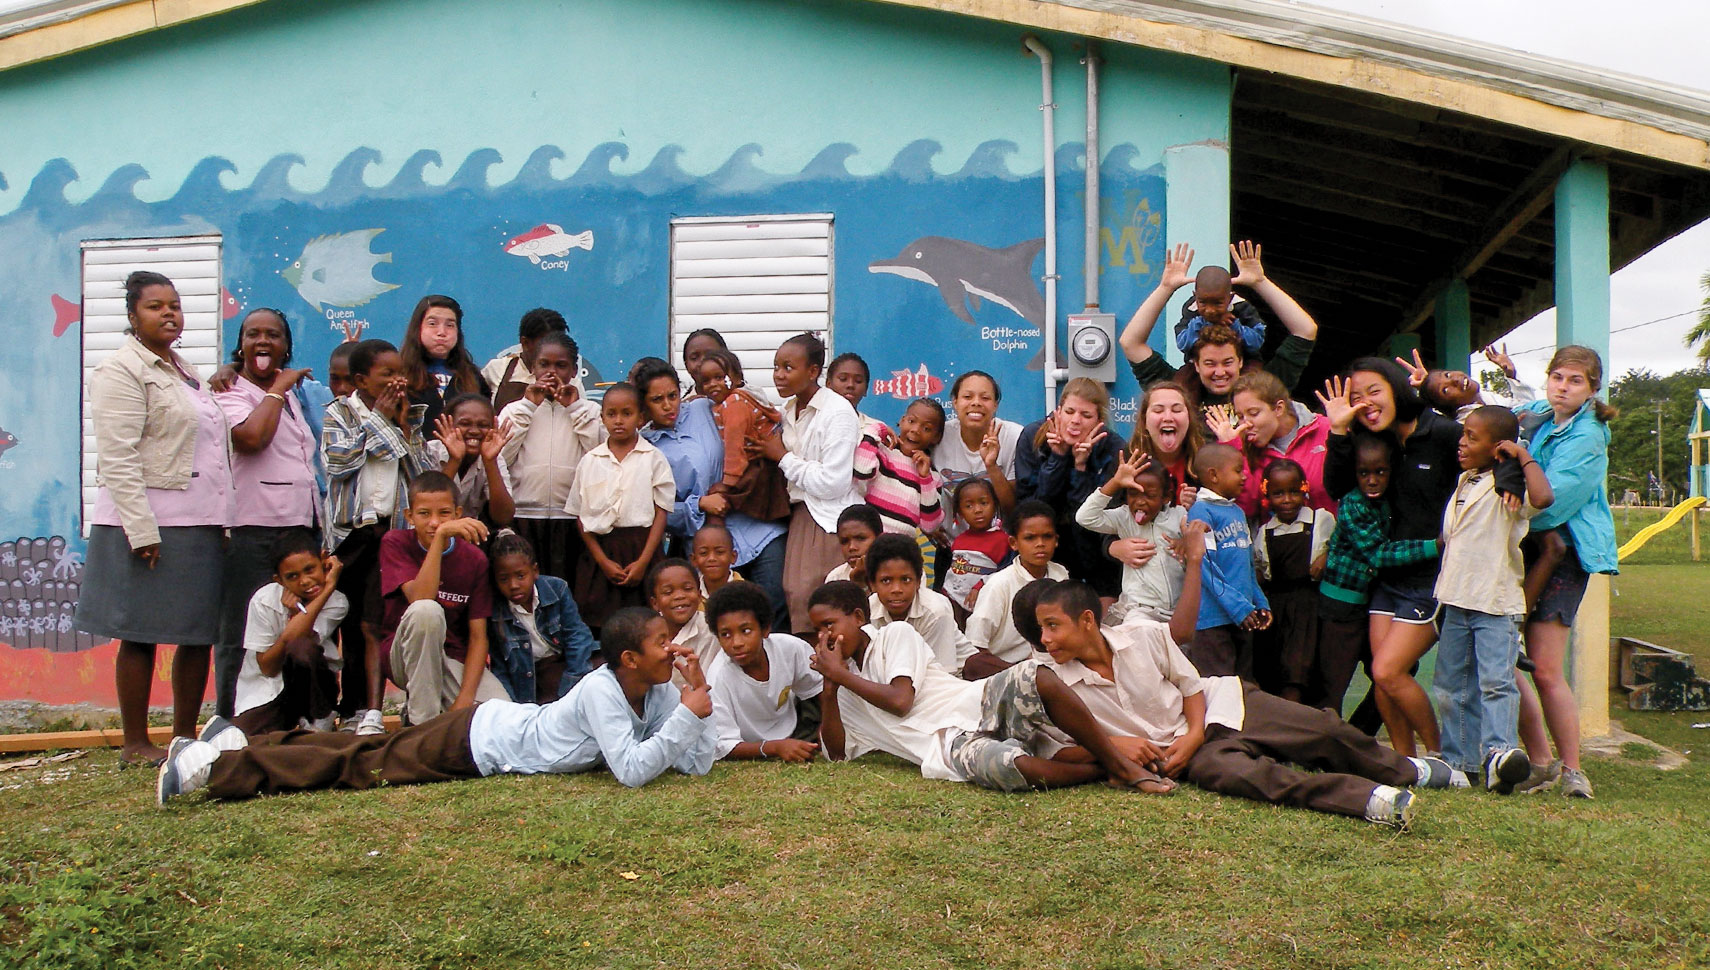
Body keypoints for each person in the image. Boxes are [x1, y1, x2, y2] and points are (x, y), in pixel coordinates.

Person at [158, 607, 717, 803]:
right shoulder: (603, 689)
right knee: (362, 765)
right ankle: (213, 768)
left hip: (488, 732)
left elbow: (695, 762)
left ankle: (240, 744)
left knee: (369, 747)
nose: (674, 648)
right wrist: (687, 716)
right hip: (476, 741)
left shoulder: (658, 686)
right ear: (628, 659)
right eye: (661, 642)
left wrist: (697, 704)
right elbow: (632, 772)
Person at [1030, 577, 1446, 827]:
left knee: (1324, 729)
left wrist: (1194, 733)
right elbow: (1052, 744)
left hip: (1221, 706)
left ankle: (1415, 770)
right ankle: (1371, 800)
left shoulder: (1142, 634)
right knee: (1250, 779)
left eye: (1053, 627)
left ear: (1087, 620)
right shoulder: (1054, 684)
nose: (1046, 639)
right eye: (1041, 630)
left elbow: (1191, 685)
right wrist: (1117, 746)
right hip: (1187, 756)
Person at [75, 271, 234, 765]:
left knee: (195, 631)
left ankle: (184, 737)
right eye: (155, 306)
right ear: (131, 316)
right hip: (146, 521)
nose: (169, 313)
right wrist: (140, 530)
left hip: (200, 520)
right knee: (139, 631)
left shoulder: (185, 373)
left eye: (175, 305)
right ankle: (135, 742)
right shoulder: (121, 371)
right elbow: (118, 457)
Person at [806, 581, 1173, 793]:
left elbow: (901, 700)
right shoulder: (841, 683)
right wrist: (830, 688)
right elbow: (836, 753)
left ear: (858, 618)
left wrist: (841, 676)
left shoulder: (894, 636)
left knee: (1034, 676)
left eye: (829, 625)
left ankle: (1120, 765)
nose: (824, 637)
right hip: (945, 747)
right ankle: (1103, 770)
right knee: (1008, 767)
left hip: (973, 701)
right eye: (817, 631)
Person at [1319, 358, 1474, 754]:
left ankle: (1442, 756)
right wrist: (1338, 429)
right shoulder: (1376, 441)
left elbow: (1488, 458)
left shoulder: (1441, 432)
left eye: (1374, 391)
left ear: (1395, 388)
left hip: (1430, 581)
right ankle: (1406, 760)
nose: (1366, 403)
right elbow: (1337, 485)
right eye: (1356, 397)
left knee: (1388, 670)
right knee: (1384, 674)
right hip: (1386, 580)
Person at [1512, 346, 1621, 799]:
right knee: (1505, 656)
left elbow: (1550, 502)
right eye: (1557, 376)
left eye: (1575, 380)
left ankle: (1574, 770)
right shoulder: (1545, 415)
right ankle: (1540, 761)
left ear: (1593, 389)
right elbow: (1516, 409)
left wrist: (1498, 516)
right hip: (1529, 547)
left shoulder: (1587, 436)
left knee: (1545, 667)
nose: (1562, 386)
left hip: (1563, 552)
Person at [1434, 406, 1553, 792]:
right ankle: (1459, 762)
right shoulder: (1465, 481)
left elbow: (1545, 496)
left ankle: (1499, 758)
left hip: (1495, 603)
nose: (1462, 443)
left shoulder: (1510, 486)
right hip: (1456, 598)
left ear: (1497, 445)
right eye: (1463, 434)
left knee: (1497, 683)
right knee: (1451, 685)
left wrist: (1521, 454)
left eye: (1472, 437)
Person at [212, 308, 322, 719]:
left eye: (273, 335)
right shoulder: (231, 392)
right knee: (240, 630)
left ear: (286, 346)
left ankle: (289, 716)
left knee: (294, 624)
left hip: (297, 527)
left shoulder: (297, 395)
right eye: (253, 334)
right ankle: (230, 719)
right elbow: (251, 439)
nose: (263, 342)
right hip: (251, 528)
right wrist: (277, 389)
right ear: (240, 345)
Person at [323, 337, 431, 736]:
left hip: (392, 533)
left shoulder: (408, 414)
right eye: (387, 374)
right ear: (361, 380)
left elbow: (419, 470)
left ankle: (374, 710)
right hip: (352, 535)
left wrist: (401, 424)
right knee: (348, 622)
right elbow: (339, 462)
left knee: (376, 622)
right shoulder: (340, 413)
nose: (397, 381)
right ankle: (347, 707)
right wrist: (378, 422)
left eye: (401, 372)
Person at [633, 355, 789, 633]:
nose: (669, 405)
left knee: (772, 609)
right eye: (658, 400)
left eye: (673, 395)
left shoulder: (705, 408)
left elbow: (750, 421)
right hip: (707, 547)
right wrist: (700, 503)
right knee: (720, 622)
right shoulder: (644, 447)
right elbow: (656, 509)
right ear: (644, 404)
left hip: (755, 525)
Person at [1315, 436, 1441, 718]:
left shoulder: (1391, 500)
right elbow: (1378, 554)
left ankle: (1359, 733)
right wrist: (1433, 546)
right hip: (1341, 604)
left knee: (1397, 671)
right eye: (1364, 473)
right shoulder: (1353, 504)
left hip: (1370, 601)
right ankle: (1327, 744)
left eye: (1380, 472)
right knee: (1334, 682)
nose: (1372, 480)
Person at [746, 333, 864, 632]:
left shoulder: (837, 412)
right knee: (795, 598)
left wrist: (782, 457)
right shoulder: (786, 412)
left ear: (813, 372)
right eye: (776, 367)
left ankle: (832, 671)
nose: (779, 375)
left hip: (828, 518)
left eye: (788, 367)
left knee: (817, 600)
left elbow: (833, 482)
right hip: (800, 514)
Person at [1118, 241, 1318, 412]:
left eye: (1228, 362)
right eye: (1210, 363)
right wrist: (1166, 288)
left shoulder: (1266, 387)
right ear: (1195, 364)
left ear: (1241, 361)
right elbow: (1130, 343)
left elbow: (1306, 330)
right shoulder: (1177, 390)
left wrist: (1260, 283)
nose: (1220, 372)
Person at [379, 471, 508, 726]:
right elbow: (420, 598)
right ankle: (422, 728)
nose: (434, 522)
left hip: (449, 659)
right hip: (404, 656)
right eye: (424, 514)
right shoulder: (395, 542)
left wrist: (464, 699)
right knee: (427, 611)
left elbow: (478, 637)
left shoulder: (474, 560)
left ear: (458, 514)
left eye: (444, 514)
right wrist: (439, 540)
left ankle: (432, 712)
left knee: (501, 716)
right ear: (409, 516)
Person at [499, 331, 603, 584]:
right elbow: (502, 457)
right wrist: (527, 407)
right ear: (533, 366)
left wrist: (575, 409)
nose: (552, 372)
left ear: (575, 370)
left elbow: (600, 455)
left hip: (571, 520)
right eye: (544, 364)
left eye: (561, 365)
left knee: (566, 591)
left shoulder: (590, 410)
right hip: (524, 517)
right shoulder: (515, 409)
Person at [566, 382, 673, 630]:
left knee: (645, 624)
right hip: (600, 553)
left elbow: (661, 512)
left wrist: (644, 561)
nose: (619, 421)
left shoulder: (653, 458)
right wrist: (602, 560)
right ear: (602, 417)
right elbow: (580, 516)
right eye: (611, 414)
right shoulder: (590, 461)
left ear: (641, 418)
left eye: (627, 413)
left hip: (642, 548)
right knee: (602, 623)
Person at [231, 530, 348, 734]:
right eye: (292, 576)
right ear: (279, 580)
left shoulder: (336, 601)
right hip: (268, 690)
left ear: (323, 560)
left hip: (315, 691)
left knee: (301, 647)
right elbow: (268, 667)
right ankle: (290, 725)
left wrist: (328, 588)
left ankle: (319, 720)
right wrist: (291, 623)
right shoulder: (263, 601)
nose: (305, 581)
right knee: (247, 738)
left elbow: (300, 643)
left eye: (310, 569)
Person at [1014, 377, 1120, 596]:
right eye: (1070, 412)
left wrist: (1081, 467)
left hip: (1093, 550)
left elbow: (1093, 519)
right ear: (1058, 411)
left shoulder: (1113, 447)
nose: (1075, 421)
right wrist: (1058, 458)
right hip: (1045, 542)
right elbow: (1034, 508)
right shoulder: (1033, 436)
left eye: (1086, 415)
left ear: (1099, 420)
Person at [703, 582, 823, 761]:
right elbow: (723, 746)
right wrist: (774, 747)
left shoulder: (790, 648)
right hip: (752, 745)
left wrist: (824, 730)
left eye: (746, 631)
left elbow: (819, 688)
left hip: (797, 728)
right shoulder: (718, 677)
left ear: (765, 629)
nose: (737, 643)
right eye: (726, 634)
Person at [1182, 443, 1270, 678]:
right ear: (1213, 475)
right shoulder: (1201, 512)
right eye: (1238, 470)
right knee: (1219, 691)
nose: (1244, 477)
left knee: (1245, 687)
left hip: (1242, 618)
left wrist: (1259, 602)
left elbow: (1248, 565)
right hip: (1213, 622)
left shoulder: (1237, 511)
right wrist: (1238, 607)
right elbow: (1205, 567)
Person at [1252, 460, 1334, 703]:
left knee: (1302, 669)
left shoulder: (1320, 520)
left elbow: (1339, 546)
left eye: (1293, 492)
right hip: (1277, 609)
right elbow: (1262, 571)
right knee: (1277, 670)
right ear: (1267, 495)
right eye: (1278, 494)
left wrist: (1326, 557)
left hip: (1310, 606)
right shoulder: (1265, 533)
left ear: (1304, 490)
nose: (1287, 499)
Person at [1206, 370, 1336, 518]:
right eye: (1240, 417)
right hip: (1276, 539)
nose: (1246, 424)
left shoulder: (1325, 429)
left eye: (1254, 413)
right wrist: (1231, 451)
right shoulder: (1242, 447)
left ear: (1278, 408)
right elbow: (1245, 510)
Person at [1075, 450, 1186, 623]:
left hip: (1177, 610)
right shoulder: (1123, 518)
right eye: (1133, 493)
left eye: (1150, 496)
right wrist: (1115, 483)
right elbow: (1084, 517)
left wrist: (1185, 541)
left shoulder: (1178, 515)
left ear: (1166, 497)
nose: (1140, 501)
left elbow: (1200, 534)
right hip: (1139, 609)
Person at [487, 532, 596, 704]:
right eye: (503, 579)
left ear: (535, 571)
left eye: (520, 576)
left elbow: (578, 636)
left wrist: (571, 683)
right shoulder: (496, 612)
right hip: (531, 676)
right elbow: (500, 667)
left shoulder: (556, 589)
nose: (513, 585)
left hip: (566, 664)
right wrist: (514, 705)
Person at [964, 500, 1069, 675]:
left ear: (1056, 540)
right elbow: (975, 647)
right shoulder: (999, 585)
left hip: (1052, 663)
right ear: (1013, 543)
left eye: (1047, 536)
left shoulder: (1060, 575)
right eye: (1030, 538)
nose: (1040, 544)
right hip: (1006, 668)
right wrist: (1017, 673)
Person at [853, 396, 947, 585]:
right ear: (902, 421)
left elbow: (929, 525)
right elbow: (861, 472)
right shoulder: (883, 453)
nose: (915, 430)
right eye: (911, 421)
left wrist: (925, 477)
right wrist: (877, 429)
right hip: (868, 549)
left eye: (926, 428)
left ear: (936, 438)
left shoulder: (931, 477)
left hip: (901, 555)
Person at [694, 350, 791, 524]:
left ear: (737, 377)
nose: (713, 384)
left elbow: (734, 447)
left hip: (762, 466)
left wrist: (728, 484)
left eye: (719, 377)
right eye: (706, 381)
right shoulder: (730, 401)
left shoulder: (734, 404)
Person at [865, 534, 974, 675]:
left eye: (906, 579)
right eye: (886, 581)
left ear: (918, 581)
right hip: (899, 681)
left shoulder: (935, 611)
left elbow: (940, 674)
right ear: (872, 584)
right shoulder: (869, 610)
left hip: (951, 680)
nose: (897, 589)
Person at [934, 370, 1022, 518]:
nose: (976, 403)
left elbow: (1012, 508)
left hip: (1001, 538)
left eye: (985, 398)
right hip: (950, 539)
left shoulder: (1015, 436)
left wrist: (992, 466)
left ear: (995, 405)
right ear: (955, 402)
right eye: (967, 397)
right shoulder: (938, 435)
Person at [400, 295, 489, 430]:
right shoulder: (400, 375)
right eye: (432, 324)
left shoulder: (473, 376)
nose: (441, 332)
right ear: (418, 328)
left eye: (450, 325)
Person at [428, 393, 515, 528]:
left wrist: (490, 462)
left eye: (483, 425)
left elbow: (503, 517)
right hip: (430, 531)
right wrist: (454, 460)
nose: (474, 431)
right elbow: (430, 507)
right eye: (465, 423)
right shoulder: (430, 452)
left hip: (469, 536)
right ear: (449, 425)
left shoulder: (493, 457)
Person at [1394, 344, 1535, 423]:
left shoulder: (1488, 398)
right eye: (1445, 390)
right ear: (1448, 408)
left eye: (1447, 375)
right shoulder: (1467, 425)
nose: (1454, 380)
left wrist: (1511, 374)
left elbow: (1530, 410)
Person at [943, 478, 1011, 619]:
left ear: (994, 505)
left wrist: (981, 584)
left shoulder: (1003, 540)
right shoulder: (959, 540)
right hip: (951, 601)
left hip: (980, 605)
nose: (978, 510)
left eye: (984, 503)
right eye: (969, 506)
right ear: (960, 513)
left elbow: (1008, 573)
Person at [485, 307, 572, 412]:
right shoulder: (497, 369)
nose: (553, 349)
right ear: (525, 343)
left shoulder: (571, 380)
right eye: (546, 343)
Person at [1173, 263, 1267, 356]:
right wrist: (1205, 322)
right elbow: (1183, 344)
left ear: (1230, 298)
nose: (1210, 310)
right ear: (1195, 296)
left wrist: (1232, 325)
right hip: (1199, 362)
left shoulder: (1242, 307)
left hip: (1243, 363)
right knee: (1185, 371)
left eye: (1217, 303)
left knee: (1253, 371)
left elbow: (1257, 342)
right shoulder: (1191, 308)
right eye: (1203, 302)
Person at [649, 558, 718, 671]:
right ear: (655, 603)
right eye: (668, 592)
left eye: (687, 589)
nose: (679, 596)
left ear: (699, 595)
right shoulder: (648, 633)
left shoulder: (712, 630)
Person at [826, 351, 889, 440]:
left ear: (866, 389)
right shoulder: (813, 422)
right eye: (843, 379)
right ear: (828, 384)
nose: (850, 385)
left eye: (858, 381)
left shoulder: (877, 429)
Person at [828, 504, 883, 588]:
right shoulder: (836, 578)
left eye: (860, 538)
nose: (851, 547)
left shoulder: (897, 573)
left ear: (879, 539)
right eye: (844, 541)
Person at [690, 523, 741, 600]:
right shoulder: (690, 595)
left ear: (733, 557)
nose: (712, 558)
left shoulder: (747, 593)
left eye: (720, 552)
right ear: (694, 560)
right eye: (704, 553)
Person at [679, 328, 729, 397]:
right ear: (686, 365)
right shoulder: (682, 406)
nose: (703, 362)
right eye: (694, 358)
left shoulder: (744, 398)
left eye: (711, 355)